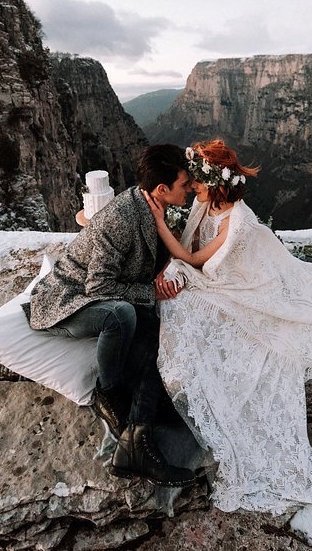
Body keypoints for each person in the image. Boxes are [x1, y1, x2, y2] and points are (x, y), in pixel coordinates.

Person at [142, 140, 312, 514]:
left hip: (256, 279)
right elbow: (185, 248)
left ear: (212, 183)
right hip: (225, 270)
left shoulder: (236, 223)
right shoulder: (206, 204)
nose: (191, 187)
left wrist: (157, 222)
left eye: (196, 181)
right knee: (180, 300)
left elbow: (189, 257)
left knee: (191, 307)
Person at [29, 144, 196, 486]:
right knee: (121, 314)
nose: (191, 187)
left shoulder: (155, 207)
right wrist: (151, 291)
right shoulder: (121, 218)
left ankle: (135, 440)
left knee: (155, 330)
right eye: (184, 184)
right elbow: (99, 287)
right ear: (162, 189)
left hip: (102, 292)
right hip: (67, 298)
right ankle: (110, 393)